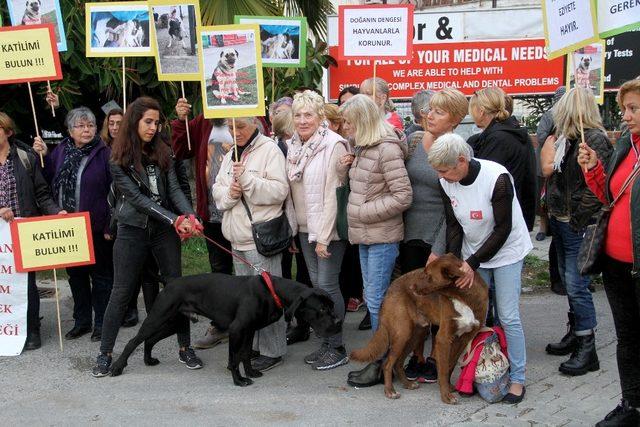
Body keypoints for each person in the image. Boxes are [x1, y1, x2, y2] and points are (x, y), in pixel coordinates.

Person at [92, 97, 203, 377]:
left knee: (177, 288)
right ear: (135, 121)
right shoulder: (118, 157)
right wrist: (173, 219)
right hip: (132, 230)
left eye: (156, 122)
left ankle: (184, 347)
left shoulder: (164, 149)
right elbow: (139, 200)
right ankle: (105, 353)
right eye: (148, 122)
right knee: (121, 292)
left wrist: (189, 215)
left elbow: (175, 189)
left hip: (164, 232)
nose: (153, 128)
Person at [428, 132, 532, 403]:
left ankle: (518, 378)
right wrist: (454, 260)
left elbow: (503, 228)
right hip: (473, 253)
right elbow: (454, 225)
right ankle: (478, 369)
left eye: (444, 170)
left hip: (506, 251)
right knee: (476, 318)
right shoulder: (446, 182)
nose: (440, 176)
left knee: (508, 316)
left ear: (462, 161)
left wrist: (472, 264)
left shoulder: (496, 178)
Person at [339, 94, 412, 387]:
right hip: (366, 235)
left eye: (349, 122)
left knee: (378, 304)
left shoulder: (386, 150)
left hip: (381, 236)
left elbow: (403, 195)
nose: (345, 127)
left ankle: (383, 364)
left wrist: (362, 212)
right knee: (374, 301)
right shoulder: (363, 148)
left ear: (363, 122)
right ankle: (381, 361)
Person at [578, 79, 640, 426]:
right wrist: (593, 170)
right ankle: (632, 405)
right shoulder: (627, 146)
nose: (625, 116)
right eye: (624, 108)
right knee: (627, 339)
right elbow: (609, 196)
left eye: (633, 108)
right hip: (617, 264)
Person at [540, 86, 613, 377]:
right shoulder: (565, 138)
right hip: (561, 220)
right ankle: (576, 331)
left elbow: (597, 189)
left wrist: (577, 219)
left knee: (577, 284)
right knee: (569, 282)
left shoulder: (593, 139)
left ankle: (587, 345)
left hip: (576, 223)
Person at [212, 116, 289, 372]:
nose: (236, 132)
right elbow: (217, 191)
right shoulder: (230, 154)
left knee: (268, 298)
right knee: (247, 301)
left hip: (260, 238)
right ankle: (252, 346)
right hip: (237, 237)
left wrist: (246, 181)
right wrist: (230, 195)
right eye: (231, 128)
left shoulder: (270, 150)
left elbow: (279, 191)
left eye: (241, 126)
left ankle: (273, 350)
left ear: (255, 123)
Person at [401, 88, 468, 382]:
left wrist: (439, 248)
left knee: (440, 301)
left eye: (439, 112)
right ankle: (416, 355)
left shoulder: (460, 150)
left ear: (454, 119)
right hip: (409, 233)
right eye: (430, 110)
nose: (430, 115)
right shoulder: (415, 140)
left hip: (439, 235)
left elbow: (457, 206)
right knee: (416, 299)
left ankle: (435, 358)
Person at [34, 107, 113, 343]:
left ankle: (102, 323)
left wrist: (110, 225)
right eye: (80, 126)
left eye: (90, 125)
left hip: (96, 226)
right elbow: (48, 179)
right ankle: (82, 322)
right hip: (68, 227)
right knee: (76, 277)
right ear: (70, 131)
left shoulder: (105, 153)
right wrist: (43, 157)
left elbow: (116, 192)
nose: (86, 130)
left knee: (101, 277)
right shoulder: (61, 151)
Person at [285, 90, 350, 370]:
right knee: (316, 288)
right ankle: (326, 342)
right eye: (297, 115)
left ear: (320, 116)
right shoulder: (294, 145)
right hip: (303, 227)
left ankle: (337, 346)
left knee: (327, 286)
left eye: (308, 114)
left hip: (327, 231)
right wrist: (292, 229)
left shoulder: (334, 144)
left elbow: (331, 195)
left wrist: (323, 237)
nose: (302, 120)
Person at [172, 98, 234, 349]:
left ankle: (254, 323)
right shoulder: (202, 122)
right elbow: (181, 150)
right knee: (219, 271)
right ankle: (221, 325)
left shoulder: (255, 119)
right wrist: (180, 121)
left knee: (250, 270)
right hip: (212, 211)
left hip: (244, 212)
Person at [0, 112, 64, 350]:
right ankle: (7, 327)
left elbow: (41, 193)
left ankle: (31, 329)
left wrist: (55, 212)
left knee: (26, 283)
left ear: (8, 132)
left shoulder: (25, 157)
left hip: (23, 230)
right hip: (0, 233)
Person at [467, 87, 537, 231]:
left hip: (502, 218)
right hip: (517, 211)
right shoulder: (514, 132)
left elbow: (484, 180)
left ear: (481, 111)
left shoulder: (497, 139)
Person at [536, 87, 566, 296]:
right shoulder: (551, 115)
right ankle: (542, 228)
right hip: (550, 174)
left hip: (568, 189)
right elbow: (541, 136)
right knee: (545, 208)